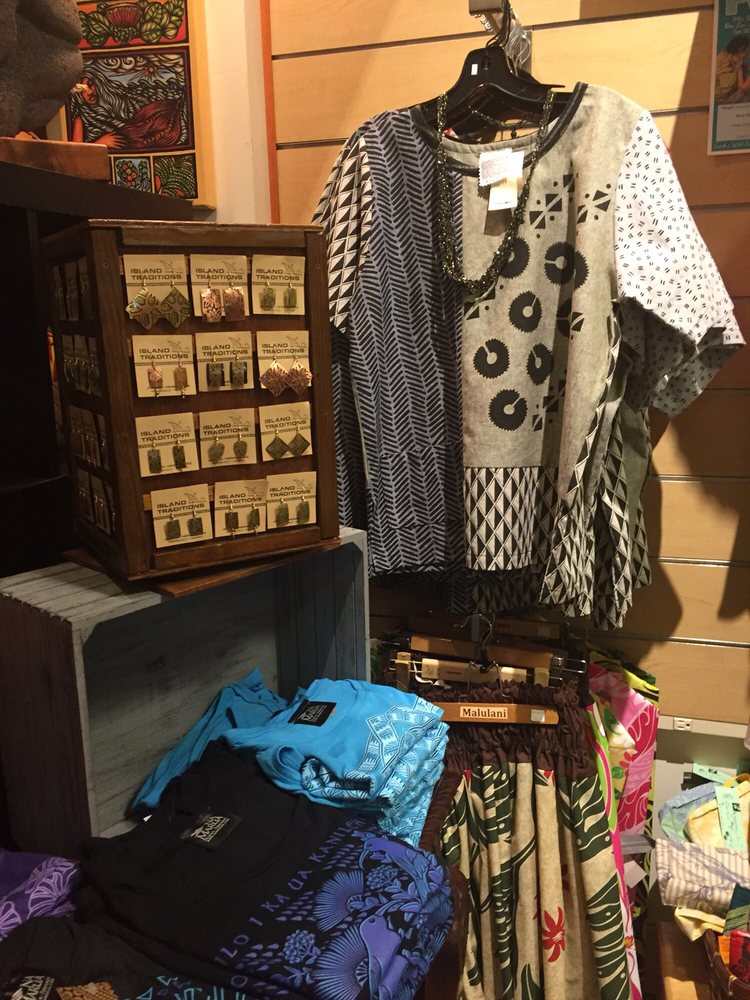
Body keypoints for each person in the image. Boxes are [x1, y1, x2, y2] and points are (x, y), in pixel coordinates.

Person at [715, 34, 750, 103]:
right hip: (725, 99)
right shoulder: (723, 63)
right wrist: (738, 70)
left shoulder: (736, 61)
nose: (744, 55)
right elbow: (725, 92)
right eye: (743, 51)